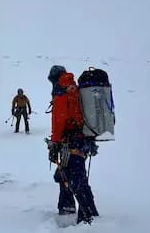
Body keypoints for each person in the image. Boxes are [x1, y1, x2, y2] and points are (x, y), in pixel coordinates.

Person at [46, 65, 99, 224]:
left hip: (71, 141)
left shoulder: (62, 91)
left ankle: (89, 218)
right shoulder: (74, 89)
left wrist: (54, 143)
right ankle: (67, 207)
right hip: (81, 140)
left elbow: (59, 120)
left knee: (76, 179)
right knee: (66, 174)